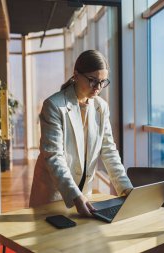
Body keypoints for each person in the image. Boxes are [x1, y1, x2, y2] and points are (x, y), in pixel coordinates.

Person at [29, 50, 133, 216]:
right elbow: (54, 156)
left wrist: (126, 188)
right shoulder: (54, 106)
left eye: (103, 82)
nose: (98, 88)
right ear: (76, 75)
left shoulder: (101, 107)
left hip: (85, 196)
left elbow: (108, 151)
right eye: (92, 81)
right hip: (54, 195)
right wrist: (76, 196)